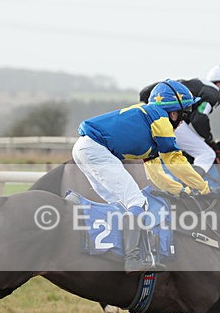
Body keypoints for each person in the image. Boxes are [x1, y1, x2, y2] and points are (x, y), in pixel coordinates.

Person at [72, 79, 210, 273]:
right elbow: (174, 160)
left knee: (119, 204)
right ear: (173, 112)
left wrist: (180, 190)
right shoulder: (161, 120)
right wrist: (202, 186)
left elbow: (156, 174)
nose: (183, 121)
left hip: (84, 148)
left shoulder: (150, 122)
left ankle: (117, 254)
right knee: (137, 201)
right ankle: (133, 259)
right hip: (96, 149)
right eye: (184, 114)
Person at [139, 64, 220, 174]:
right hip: (169, 122)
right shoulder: (212, 93)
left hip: (156, 118)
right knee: (207, 154)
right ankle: (192, 183)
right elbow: (199, 120)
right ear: (219, 84)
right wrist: (209, 139)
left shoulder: (200, 86)